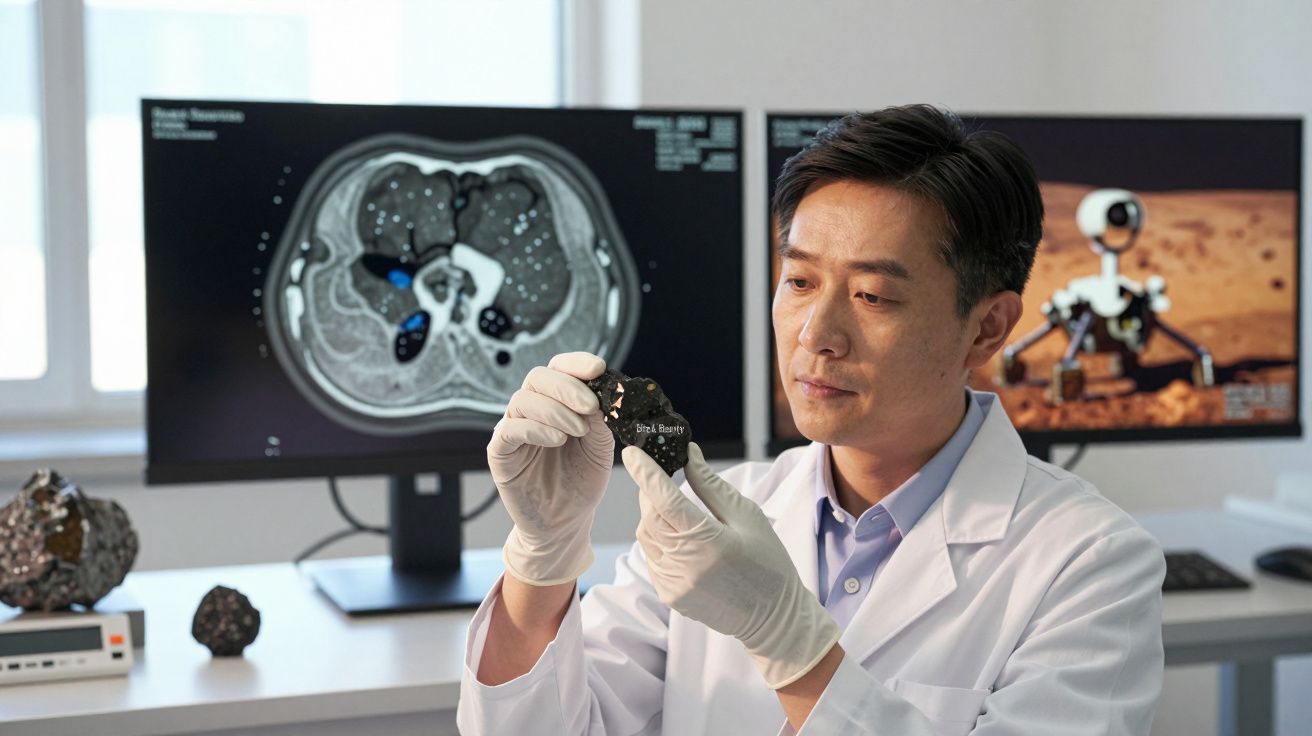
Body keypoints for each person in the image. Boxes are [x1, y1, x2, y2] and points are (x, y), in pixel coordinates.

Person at [456, 104, 1166, 736]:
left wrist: (792, 649)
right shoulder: (705, 522)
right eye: (798, 281)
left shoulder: (1091, 564)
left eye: (872, 295)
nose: (815, 332)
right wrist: (542, 559)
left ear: (986, 329)